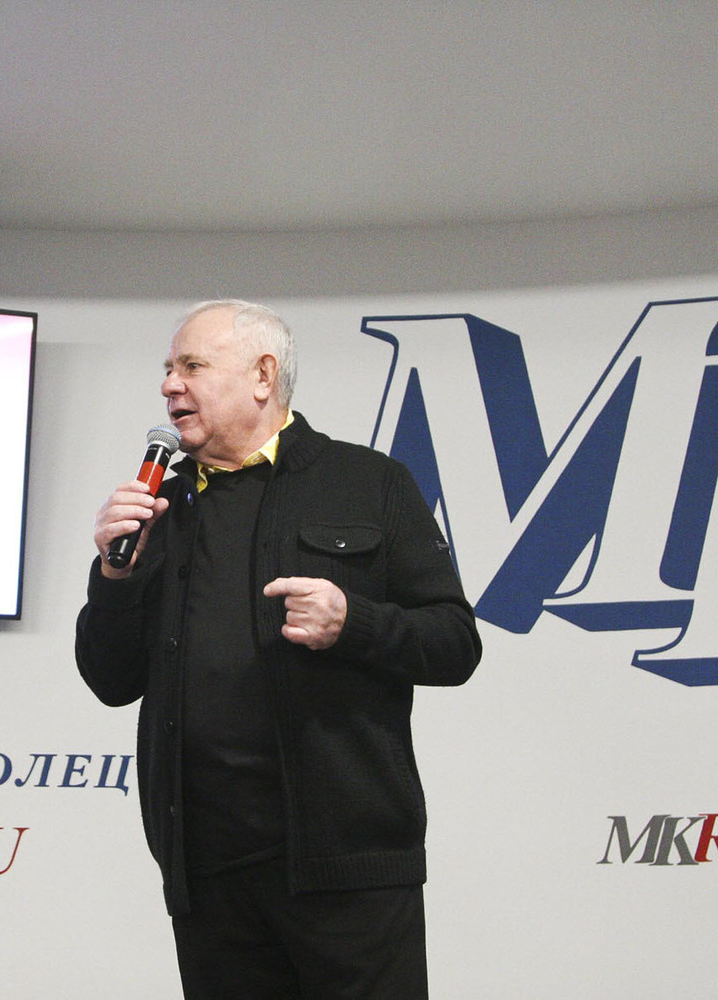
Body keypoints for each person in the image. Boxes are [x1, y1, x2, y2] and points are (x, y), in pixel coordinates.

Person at [75, 300, 481, 999]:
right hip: (208, 875)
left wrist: (352, 622)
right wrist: (114, 577)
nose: (170, 385)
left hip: (347, 871)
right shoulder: (160, 509)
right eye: (168, 369)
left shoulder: (369, 481)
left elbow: (454, 643)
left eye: (192, 365)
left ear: (263, 375)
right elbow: (110, 680)